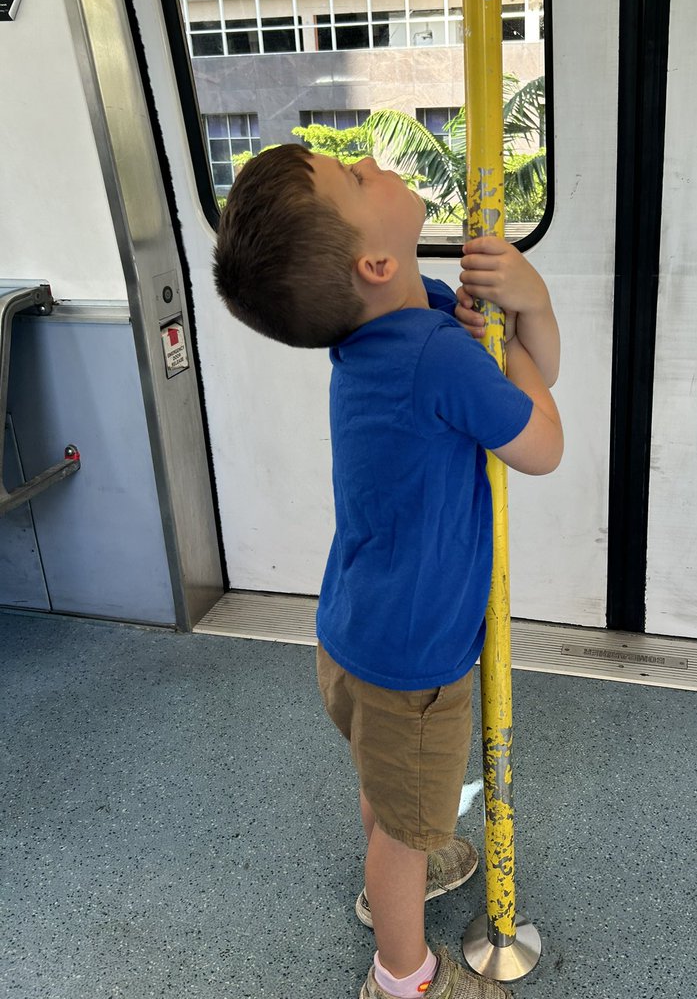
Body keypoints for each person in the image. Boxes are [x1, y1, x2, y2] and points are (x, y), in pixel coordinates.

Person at [213, 143, 562, 999]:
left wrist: (514, 315)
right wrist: (538, 306)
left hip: (351, 629)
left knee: (385, 785)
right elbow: (542, 442)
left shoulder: (401, 325)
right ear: (375, 262)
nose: (372, 154)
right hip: (414, 657)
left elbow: (518, 383)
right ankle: (404, 976)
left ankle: (399, 865)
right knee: (405, 827)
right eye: (357, 175)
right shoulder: (436, 355)